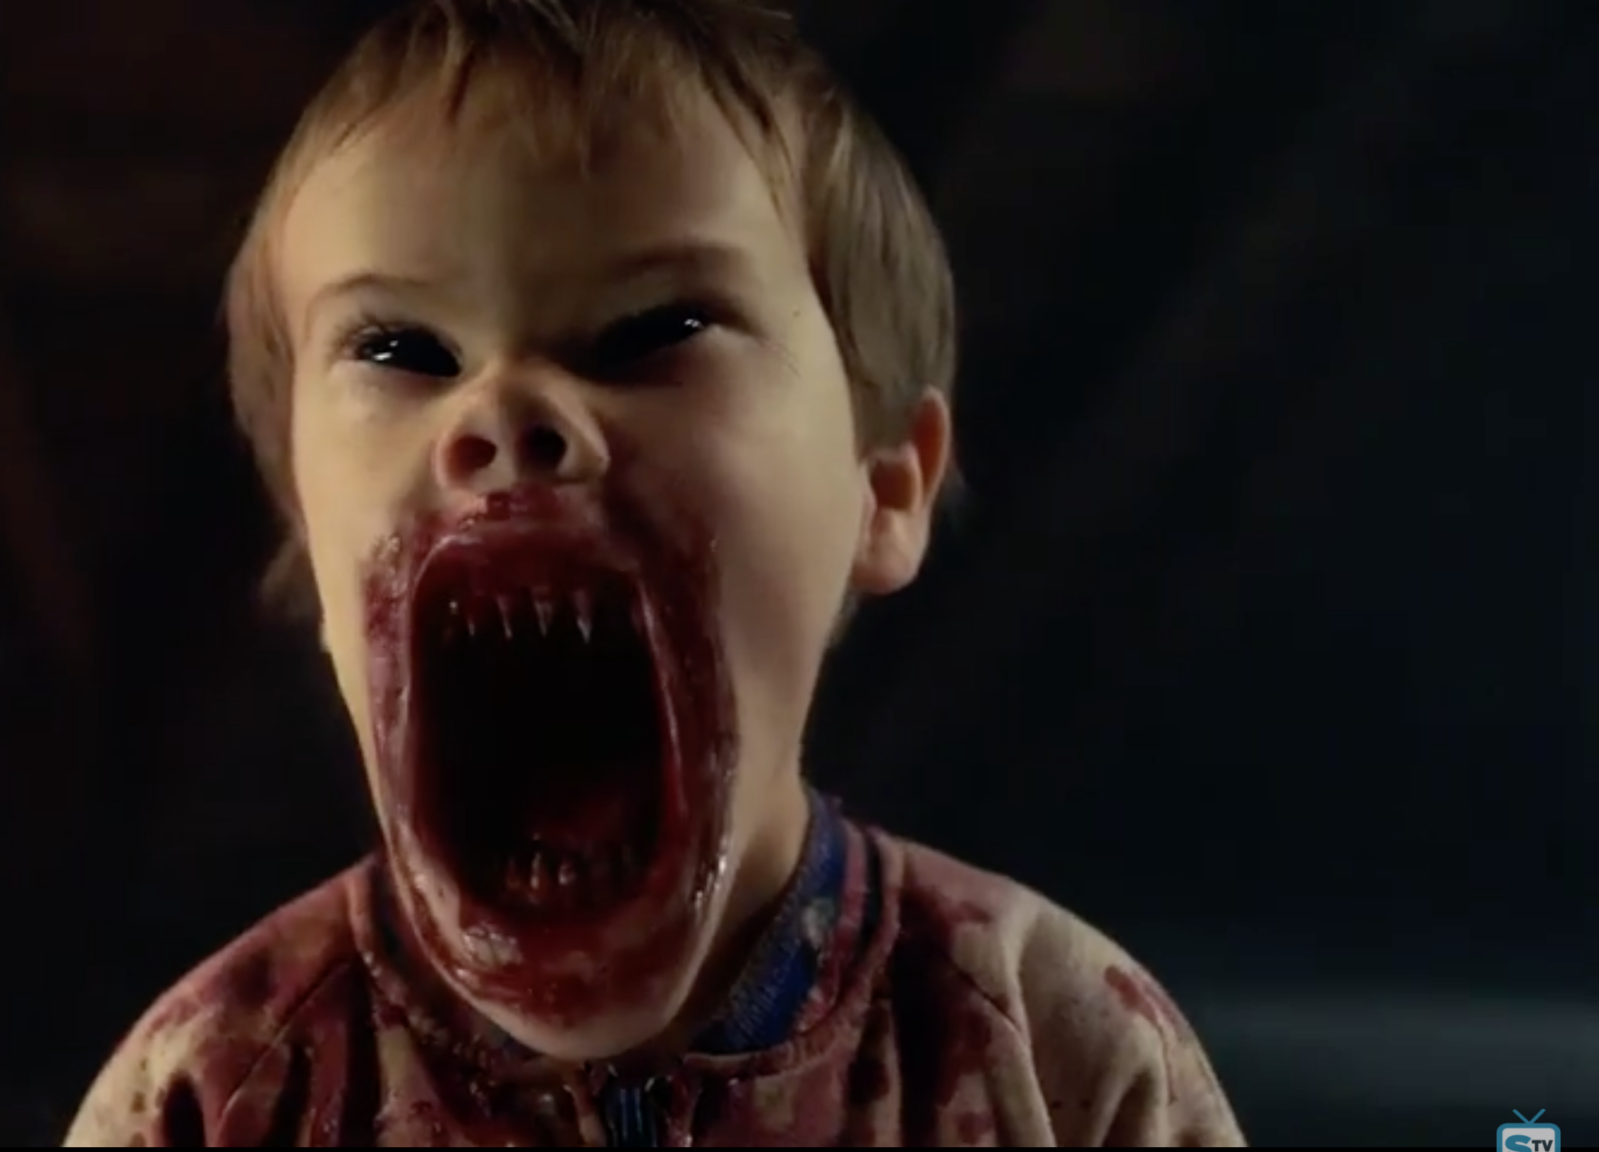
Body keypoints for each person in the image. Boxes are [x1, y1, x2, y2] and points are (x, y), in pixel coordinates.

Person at [64, 0, 1245, 1144]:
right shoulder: (215, 1092)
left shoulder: (1055, 1056)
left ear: (884, 485)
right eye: (400, 348)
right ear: (307, 539)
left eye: (652, 332)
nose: (506, 410)